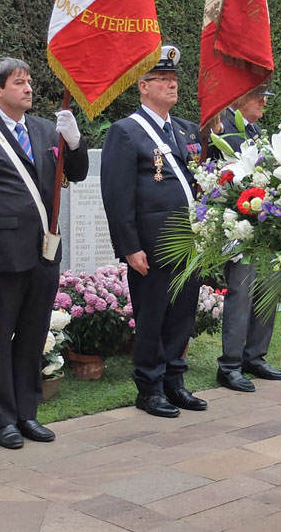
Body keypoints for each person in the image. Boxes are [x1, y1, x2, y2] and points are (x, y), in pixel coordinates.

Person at [0, 57, 89, 449]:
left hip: (44, 252)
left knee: (33, 335)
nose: (28, 89)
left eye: (29, 82)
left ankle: (28, 412)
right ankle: (1, 419)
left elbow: (74, 174)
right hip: (0, 256)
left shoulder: (46, 130)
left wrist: (75, 143)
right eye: (19, 83)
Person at [99, 45, 207, 418]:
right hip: (153, 245)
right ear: (143, 86)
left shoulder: (186, 129)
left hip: (188, 244)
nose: (172, 86)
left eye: (174, 80)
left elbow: (199, 181)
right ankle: (149, 387)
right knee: (153, 318)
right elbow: (117, 195)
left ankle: (175, 382)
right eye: (163, 79)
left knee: (182, 316)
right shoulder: (126, 131)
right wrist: (129, 246)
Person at [212, 83, 281, 393]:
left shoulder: (256, 130)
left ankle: (255, 356)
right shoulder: (222, 126)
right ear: (239, 96)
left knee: (267, 291)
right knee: (241, 294)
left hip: (265, 224)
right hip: (238, 223)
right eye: (259, 97)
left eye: (266, 98)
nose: (263, 104)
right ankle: (230, 364)